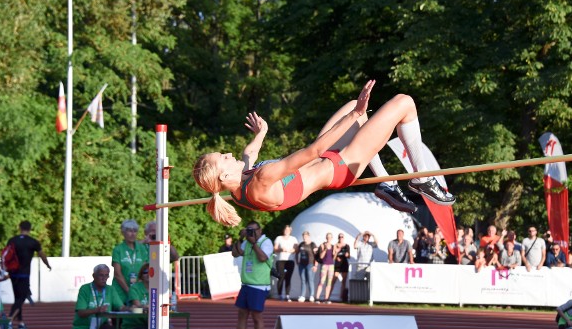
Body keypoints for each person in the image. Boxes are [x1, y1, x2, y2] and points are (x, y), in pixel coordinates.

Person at [193, 81, 455, 227]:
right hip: (340, 166)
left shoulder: (239, 192)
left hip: (327, 161)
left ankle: (386, 182)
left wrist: (261, 133)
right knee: (404, 103)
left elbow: (249, 153)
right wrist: (355, 116)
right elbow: (312, 151)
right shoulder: (262, 177)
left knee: (354, 105)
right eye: (223, 157)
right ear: (225, 174)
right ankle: (421, 178)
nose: (228, 153)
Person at [226, 220, 273, 329]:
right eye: (249, 230)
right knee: (242, 315)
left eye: (253, 230)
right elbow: (235, 253)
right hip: (246, 284)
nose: (251, 232)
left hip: (258, 285)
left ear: (260, 230)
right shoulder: (246, 241)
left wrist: (253, 243)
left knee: (256, 316)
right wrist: (240, 239)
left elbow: (263, 257)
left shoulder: (266, 242)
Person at [121, 263, 184, 329]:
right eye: (145, 272)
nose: (148, 274)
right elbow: (137, 304)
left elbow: (164, 304)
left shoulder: (158, 288)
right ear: (141, 275)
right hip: (133, 327)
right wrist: (148, 306)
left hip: (151, 325)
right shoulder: (135, 288)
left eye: (151, 272)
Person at [6, 221, 51, 329]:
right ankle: (9, 321)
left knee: (17, 297)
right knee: (21, 299)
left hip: (12, 273)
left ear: (20, 227)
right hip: (24, 274)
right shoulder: (32, 242)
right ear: (30, 229)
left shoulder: (12, 240)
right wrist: (47, 264)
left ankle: (21, 323)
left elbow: (6, 255)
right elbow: (42, 255)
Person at [72, 264, 126, 329]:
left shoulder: (111, 289)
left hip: (102, 327)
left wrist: (133, 308)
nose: (104, 278)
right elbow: (81, 312)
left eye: (106, 275)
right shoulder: (85, 289)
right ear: (94, 276)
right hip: (83, 328)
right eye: (101, 275)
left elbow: (121, 307)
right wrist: (96, 310)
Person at [142, 220, 180, 311]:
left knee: (161, 311)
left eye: (157, 231)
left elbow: (175, 257)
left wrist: (166, 243)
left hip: (159, 283)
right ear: (146, 233)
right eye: (152, 231)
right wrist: (146, 241)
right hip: (144, 283)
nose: (155, 233)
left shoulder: (162, 246)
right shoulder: (141, 245)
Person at [112, 220, 149, 306]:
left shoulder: (142, 248)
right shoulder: (118, 249)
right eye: (129, 231)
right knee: (119, 317)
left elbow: (144, 270)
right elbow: (117, 274)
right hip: (120, 292)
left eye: (135, 231)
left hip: (136, 291)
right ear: (123, 232)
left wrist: (135, 290)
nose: (133, 234)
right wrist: (128, 290)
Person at [273, 225, 298, 301]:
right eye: (285, 229)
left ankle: (287, 295)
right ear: (283, 230)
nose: (287, 231)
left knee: (288, 278)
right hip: (280, 260)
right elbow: (275, 249)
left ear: (290, 231)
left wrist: (291, 250)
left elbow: (296, 249)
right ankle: (280, 294)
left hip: (290, 260)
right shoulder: (279, 238)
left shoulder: (293, 239)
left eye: (288, 229)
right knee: (280, 277)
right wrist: (281, 249)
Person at [295, 231, 317, 303]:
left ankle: (311, 295)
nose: (304, 238)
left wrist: (315, 265)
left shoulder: (312, 244)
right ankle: (302, 296)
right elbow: (297, 252)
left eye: (306, 236)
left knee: (310, 280)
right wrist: (297, 261)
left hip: (310, 264)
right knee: (303, 280)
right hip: (302, 264)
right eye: (303, 236)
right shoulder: (301, 244)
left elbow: (316, 255)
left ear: (308, 236)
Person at [315, 233, 337, 303]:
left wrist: (335, 253)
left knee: (329, 282)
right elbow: (321, 256)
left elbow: (333, 258)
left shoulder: (333, 246)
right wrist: (325, 249)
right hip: (324, 265)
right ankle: (317, 298)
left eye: (330, 237)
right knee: (322, 281)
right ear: (326, 237)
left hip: (331, 265)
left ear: (332, 238)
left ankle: (326, 298)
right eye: (328, 237)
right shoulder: (322, 245)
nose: (329, 239)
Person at [333, 233, 350, 302]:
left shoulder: (347, 246)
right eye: (340, 237)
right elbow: (333, 256)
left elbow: (348, 256)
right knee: (333, 280)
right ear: (338, 238)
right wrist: (337, 254)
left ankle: (342, 297)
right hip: (337, 264)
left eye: (342, 237)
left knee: (344, 281)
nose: (341, 238)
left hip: (344, 264)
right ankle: (327, 296)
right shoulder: (335, 245)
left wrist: (347, 255)